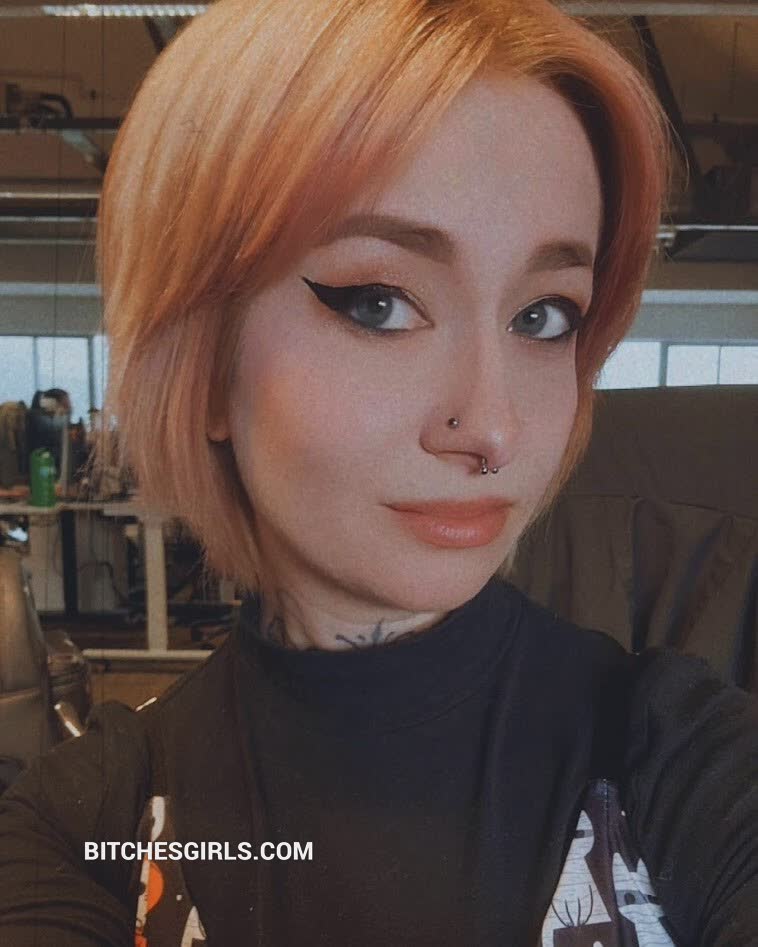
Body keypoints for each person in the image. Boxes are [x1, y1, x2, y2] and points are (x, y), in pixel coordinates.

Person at [1, 0, 756, 944]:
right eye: (380, 303)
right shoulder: (84, 825)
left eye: (543, 316)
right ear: (202, 362)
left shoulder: (685, 758)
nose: (493, 426)